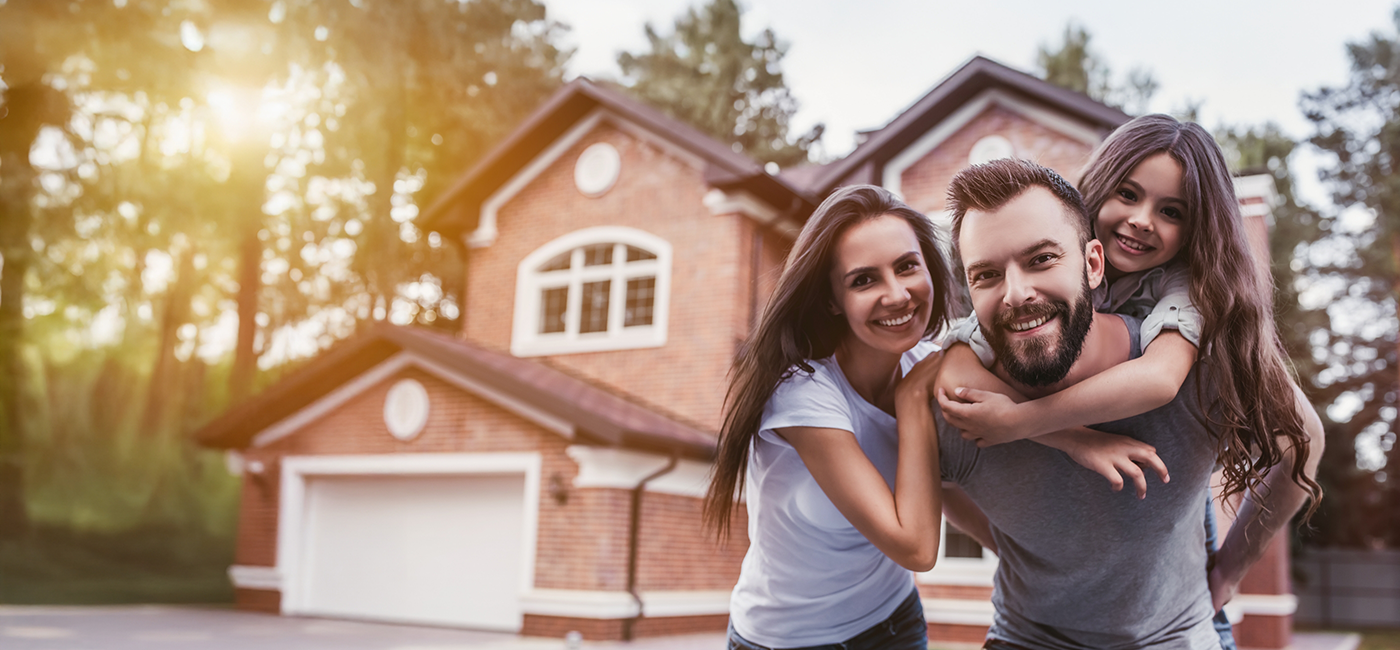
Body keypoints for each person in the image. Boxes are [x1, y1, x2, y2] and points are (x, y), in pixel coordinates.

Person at [703, 185, 1159, 650]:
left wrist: (1083, 445)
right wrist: (912, 400)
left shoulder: (930, 362)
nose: (897, 295)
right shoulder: (803, 395)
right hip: (786, 640)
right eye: (864, 280)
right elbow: (916, 547)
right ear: (832, 299)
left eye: (906, 267)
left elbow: (1007, 425)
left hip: (894, 624)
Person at [935, 116, 1324, 646]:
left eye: (1171, 212)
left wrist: (1229, 573)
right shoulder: (1027, 292)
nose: (1142, 221)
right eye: (1128, 194)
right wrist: (1067, 449)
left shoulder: (1192, 294)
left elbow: (1166, 381)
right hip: (1030, 627)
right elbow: (951, 369)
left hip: (1175, 616)